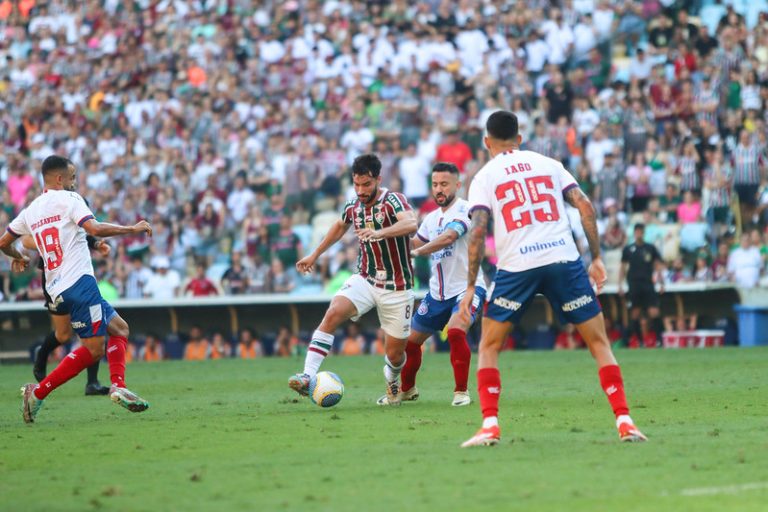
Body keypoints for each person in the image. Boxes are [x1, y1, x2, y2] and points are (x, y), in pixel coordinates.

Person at [458, 111, 646, 447]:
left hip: (518, 266)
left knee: (489, 345)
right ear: (520, 138)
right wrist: (597, 257)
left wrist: (471, 284)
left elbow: (477, 232)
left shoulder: (484, 176)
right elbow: (585, 206)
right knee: (599, 343)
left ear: (487, 142)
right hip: (563, 259)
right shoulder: (548, 163)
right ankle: (625, 420)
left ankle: (490, 425)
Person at [0, 155, 152, 423]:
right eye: (72, 177)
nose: (74, 182)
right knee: (94, 349)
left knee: (120, 328)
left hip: (56, 287)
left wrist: (18, 257)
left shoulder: (32, 210)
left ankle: (118, 385)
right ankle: (38, 392)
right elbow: (94, 227)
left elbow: (4, 242)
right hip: (80, 283)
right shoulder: (70, 199)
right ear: (59, 178)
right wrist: (132, 228)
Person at [288, 153, 417, 405]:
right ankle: (307, 376)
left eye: (366, 184)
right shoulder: (353, 205)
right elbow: (338, 227)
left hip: (397, 287)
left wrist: (380, 232)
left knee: (395, 353)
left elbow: (411, 223)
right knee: (333, 312)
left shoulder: (393, 200)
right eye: (356, 184)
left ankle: (392, 379)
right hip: (366, 279)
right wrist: (314, 254)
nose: (360, 190)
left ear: (378, 179)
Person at [377, 162, 486, 407]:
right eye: (435, 184)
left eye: (444, 184)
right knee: (410, 342)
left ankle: (461, 392)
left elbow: (449, 236)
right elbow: (414, 245)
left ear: (457, 185)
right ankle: (408, 389)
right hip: (437, 294)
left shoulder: (466, 210)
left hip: (467, 289)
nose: (439, 189)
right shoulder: (431, 218)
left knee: (456, 331)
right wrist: (386, 236)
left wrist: (419, 252)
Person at [22, 226, 112, 395]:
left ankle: (92, 382)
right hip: (54, 280)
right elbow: (25, 239)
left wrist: (96, 243)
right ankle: (42, 355)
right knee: (63, 334)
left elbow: (82, 232)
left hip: (78, 279)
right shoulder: (48, 213)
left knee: (93, 334)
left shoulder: (74, 207)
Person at [618, 224, 665, 332]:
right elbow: (623, 267)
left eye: (641, 232)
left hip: (648, 283)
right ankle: (637, 340)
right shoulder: (628, 249)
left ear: (643, 233)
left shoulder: (650, 248)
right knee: (635, 312)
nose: (639, 234)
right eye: (637, 232)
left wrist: (661, 282)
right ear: (634, 233)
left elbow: (657, 266)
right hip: (634, 283)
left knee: (653, 311)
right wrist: (620, 285)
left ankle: (659, 340)